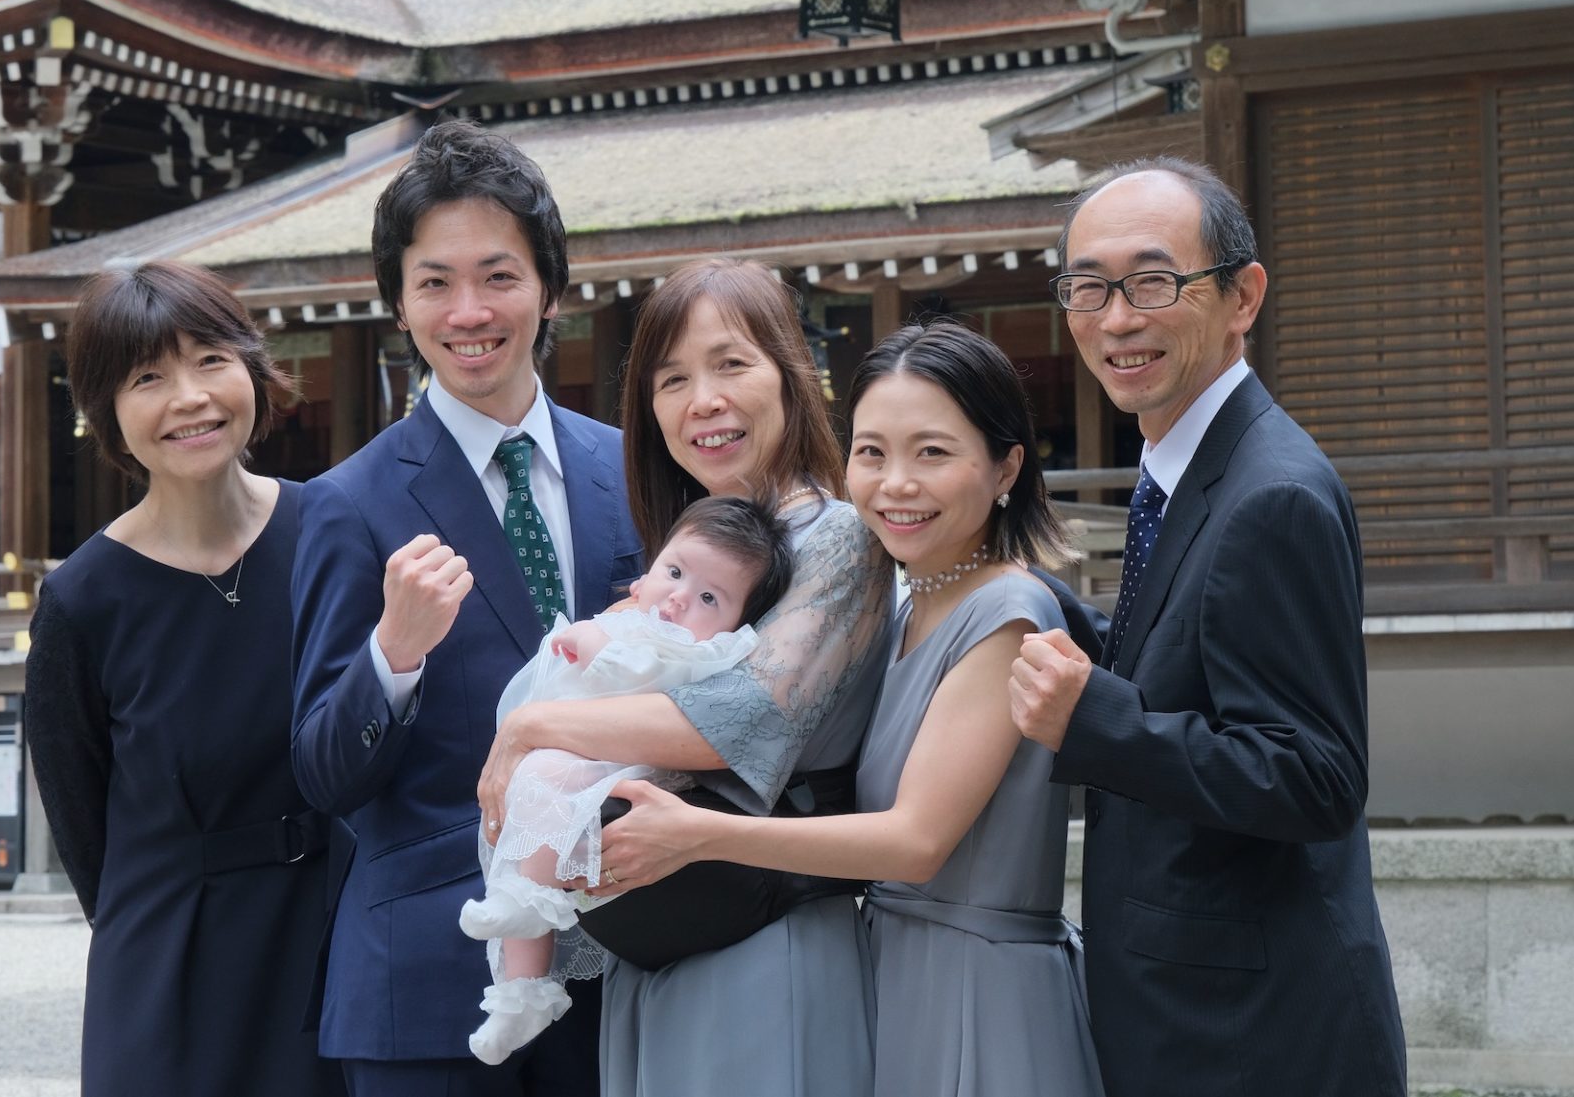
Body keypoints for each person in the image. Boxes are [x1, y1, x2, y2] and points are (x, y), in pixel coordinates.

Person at [595, 320, 1105, 1097]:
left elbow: (916, 842)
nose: (895, 483)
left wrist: (698, 833)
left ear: (1005, 466)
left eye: (931, 452)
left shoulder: (1008, 613)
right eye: (872, 452)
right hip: (896, 972)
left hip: (979, 988)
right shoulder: (910, 608)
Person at [1008, 156, 1407, 1096]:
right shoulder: (1185, 466)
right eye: (1088, 287)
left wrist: (1093, 720)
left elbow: (1315, 776)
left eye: (1153, 281)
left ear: (1242, 296)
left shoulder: (1274, 494)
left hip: (1251, 1034)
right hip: (1193, 1006)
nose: (1116, 319)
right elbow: (1188, 663)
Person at [475, 258, 894, 1097]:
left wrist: (529, 729)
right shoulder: (694, 553)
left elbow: (736, 717)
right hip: (665, 938)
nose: (702, 399)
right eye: (672, 379)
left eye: (731, 364)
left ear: (792, 373)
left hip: (762, 936)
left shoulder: (838, 536)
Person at [290, 119, 643, 1097]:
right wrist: (391, 655)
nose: (469, 310)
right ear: (398, 305)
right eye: (434, 283)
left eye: (499, 276)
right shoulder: (346, 505)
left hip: (625, 964)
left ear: (550, 290)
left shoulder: (634, 474)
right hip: (428, 983)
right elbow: (322, 772)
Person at [25, 260, 344, 1097]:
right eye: (147, 376)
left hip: (332, 939)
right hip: (171, 962)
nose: (189, 397)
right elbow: (80, 822)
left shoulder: (335, 529)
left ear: (251, 368)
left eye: (210, 359)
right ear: (107, 412)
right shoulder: (82, 599)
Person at [461, 495, 795, 1067]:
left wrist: (593, 644)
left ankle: (528, 917)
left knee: (540, 794)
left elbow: (642, 675)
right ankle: (520, 995)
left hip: (627, 767)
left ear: (737, 621)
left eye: (710, 597)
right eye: (674, 571)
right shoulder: (638, 615)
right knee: (522, 834)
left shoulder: (703, 650)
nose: (681, 596)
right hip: (577, 759)